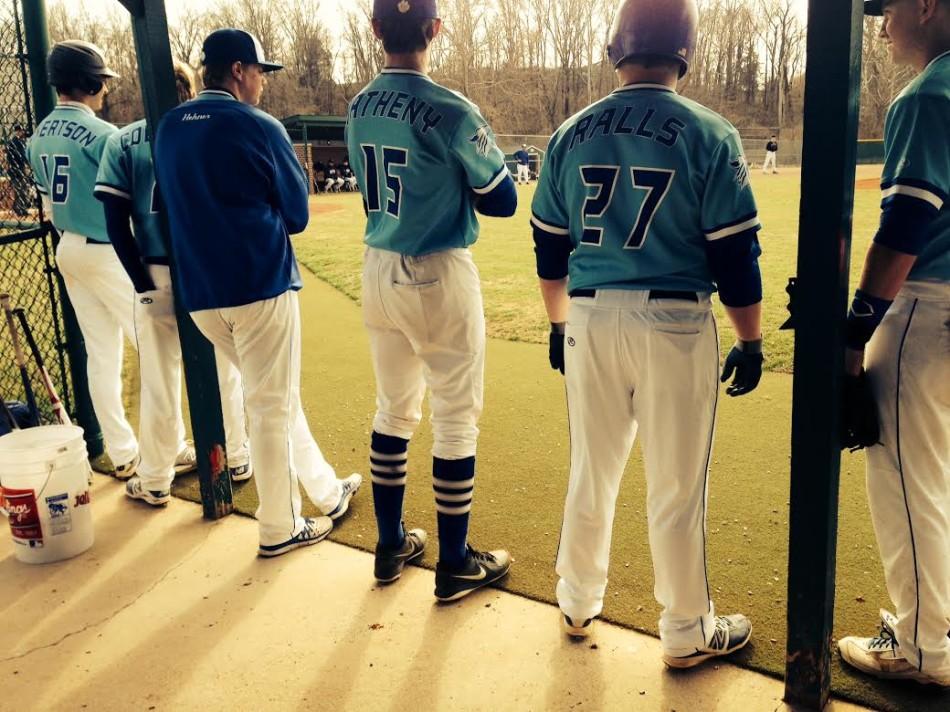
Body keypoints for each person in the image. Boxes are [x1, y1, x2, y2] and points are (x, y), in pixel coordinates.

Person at [532, 0, 765, 667]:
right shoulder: (709, 131)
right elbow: (733, 260)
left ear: (617, 49)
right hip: (674, 322)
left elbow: (550, 251)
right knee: (675, 485)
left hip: (591, 317)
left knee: (591, 470)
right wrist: (749, 341)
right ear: (684, 51)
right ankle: (686, 630)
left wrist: (557, 324)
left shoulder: (570, 133)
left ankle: (576, 601)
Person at [154, 28, 362, 557]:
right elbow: (296, 216)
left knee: (275, 397)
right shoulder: (258, 125)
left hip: (200, 293)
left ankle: (325, 491)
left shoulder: (170, 126)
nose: (264, 83)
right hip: (258, 284)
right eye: (260, 73)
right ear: (239, 71)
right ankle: (280, 527)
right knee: (270, 405)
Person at [346, 0, 518, 600]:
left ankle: (391, 545)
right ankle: (454, 563)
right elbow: (501, 200)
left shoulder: (359, 105)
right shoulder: (450, 108)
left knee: (393, 410)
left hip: (377, 264)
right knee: (454, 418)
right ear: (434, 30)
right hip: (438, 269)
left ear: (374, 32)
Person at [836, 0, 950, 688]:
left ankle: (919, 647)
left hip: (927, 307)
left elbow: (907, 222)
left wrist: (856, 329)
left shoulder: (931, 91)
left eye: (887, 8)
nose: (879, 24)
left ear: (928, 6)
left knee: (910, 479)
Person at [94, 62, 251, 507]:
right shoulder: (210, 130)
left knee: (160, 380)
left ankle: (157, 479)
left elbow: (115, 224)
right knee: (227, 370)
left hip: (155, 270)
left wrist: (140, 284)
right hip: (208, 269)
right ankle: (238, 457)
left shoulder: (122, 139)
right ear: (191, 90)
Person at [27, 41, 144, 478]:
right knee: (153, 348)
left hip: (69, 249)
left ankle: (123, 452)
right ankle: (162, 450)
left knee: (101, 355)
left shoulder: (38, 135)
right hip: (107, 251)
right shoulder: (105, 135)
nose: (106, 90)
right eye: (103, 81)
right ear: (91, 82)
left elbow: (47, 201)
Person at [5, 124, 31, 217]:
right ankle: (19, 209)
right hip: (16, 170)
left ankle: (20, 208)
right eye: (20, 131)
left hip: (17, 169)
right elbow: (21, 156)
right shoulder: (15, 142)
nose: (22, 132)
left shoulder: (17, 141)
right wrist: (27, 165)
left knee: (22, 189)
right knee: (21, 189)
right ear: (18, 131)